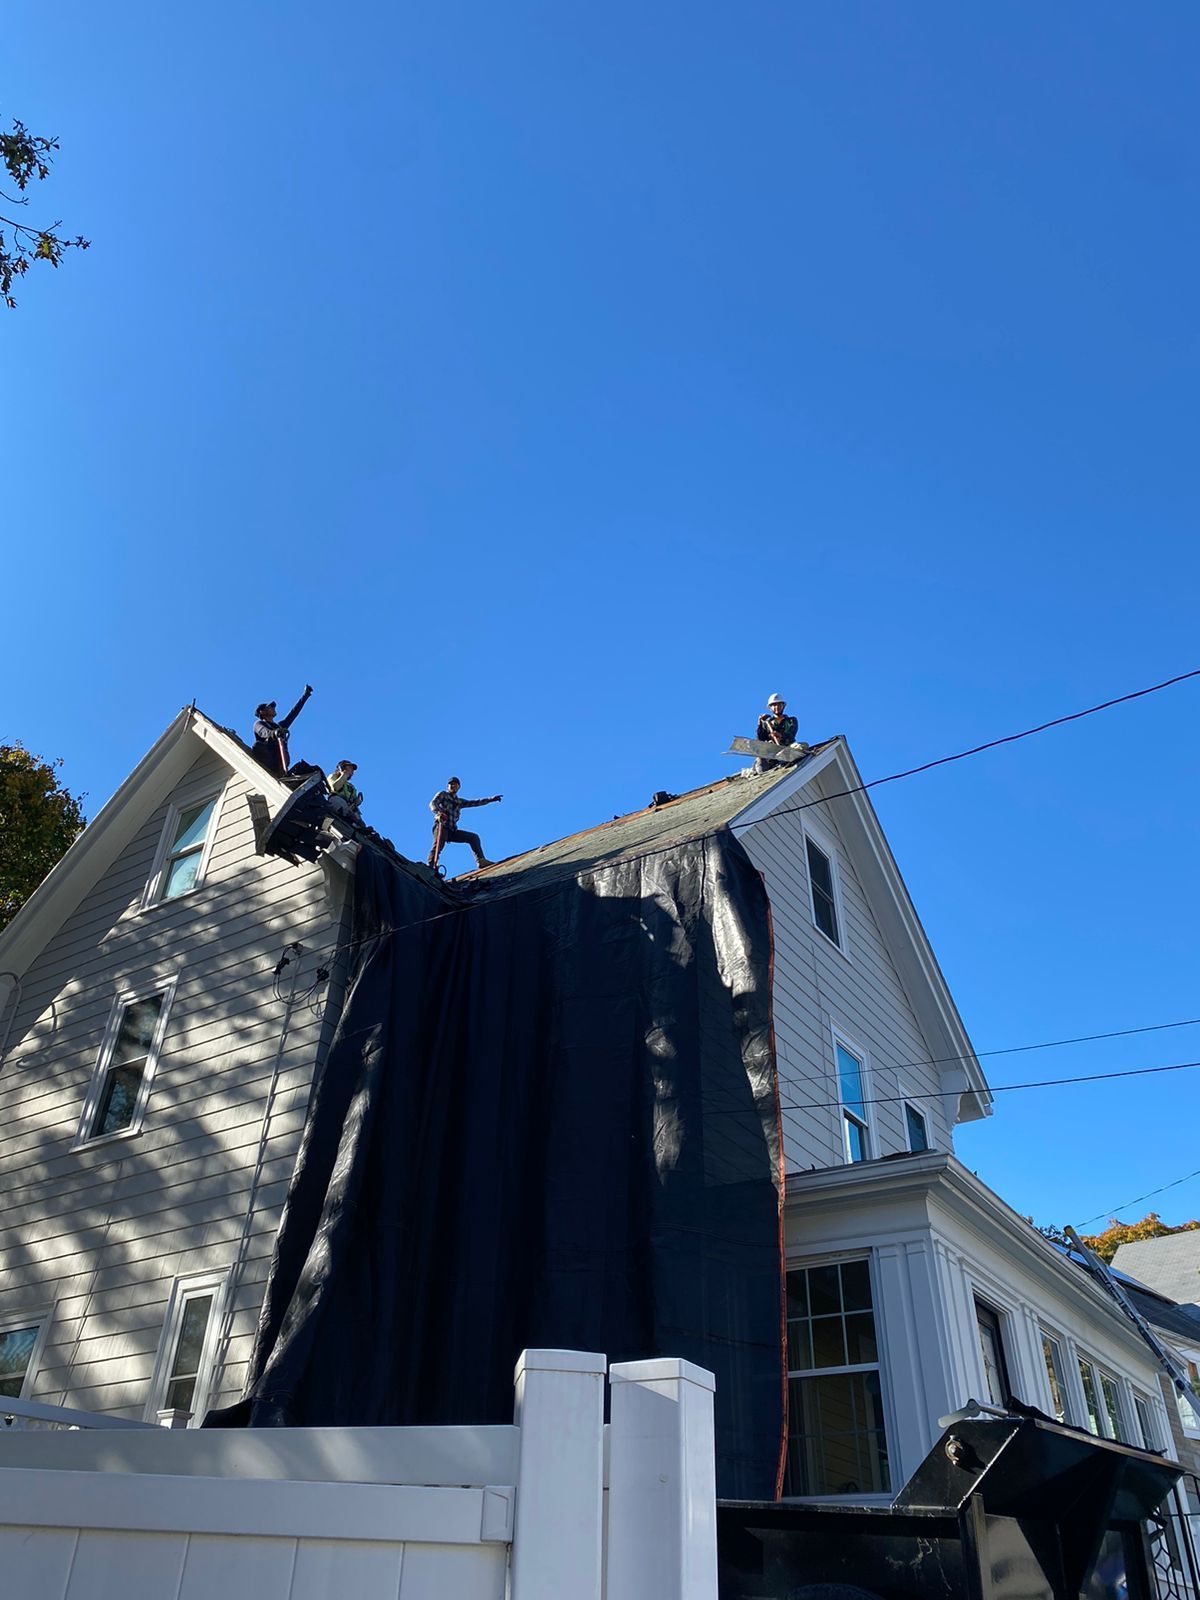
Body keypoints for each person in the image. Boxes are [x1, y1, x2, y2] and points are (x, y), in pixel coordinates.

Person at [427, 778, 502, 871]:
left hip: (452, 830)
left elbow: (475, 802)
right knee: (438, 844)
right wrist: (439, 812)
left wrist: (490, 799)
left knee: (473, 838)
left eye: (455, 784)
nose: (453, 786)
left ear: (459, 787)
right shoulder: (443, 795)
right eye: (451, 784)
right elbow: (433, 803)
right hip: (442, 827)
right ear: (447, 786)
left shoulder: (459, 801)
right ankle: (430, 865)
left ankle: (481, 861)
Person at [252, 686, 313, 779]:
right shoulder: (259, 724)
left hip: (280, 759)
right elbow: (263, 732)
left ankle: (282, 772)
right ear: (262, 712)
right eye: (270, 707)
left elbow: (293, 713)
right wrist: (274, 734)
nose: (273, 708)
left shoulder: (279, 726)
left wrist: (305, 696)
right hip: (269, 757)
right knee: (258, 745)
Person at [754, 692, 805, 772]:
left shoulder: (791, 720)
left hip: (788, 748)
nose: (776, 707)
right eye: (774, 705)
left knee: (802, 746)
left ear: (783, 706)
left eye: (779, 705)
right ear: (770, 708)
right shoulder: (767, 723)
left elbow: (791, 735)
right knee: (760, 760)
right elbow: (760, 739)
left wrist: (780, 736)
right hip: (772, 752)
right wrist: (760, 724)